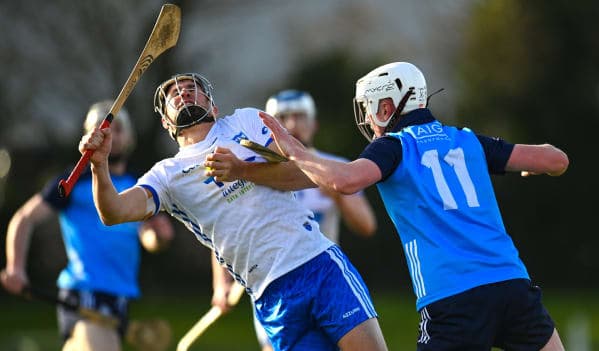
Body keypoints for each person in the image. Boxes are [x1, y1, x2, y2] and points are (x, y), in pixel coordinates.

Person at [254, 62, 569, 351]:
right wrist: (537, 167)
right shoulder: (467, 140)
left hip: (452, 297)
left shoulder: (394, 147)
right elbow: (555, 159)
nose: (366, 118)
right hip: (513, 286)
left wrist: (295, 150)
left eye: (369, 108)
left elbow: (345, 181)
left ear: (387, 106)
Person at [78, 73, 388, 351]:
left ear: (213, 106)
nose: (184, 94)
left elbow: (306, 173)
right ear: (165, 122)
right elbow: (113, 212)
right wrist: (99, 165)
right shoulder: (166, 176)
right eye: (175, 93)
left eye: (192, 88)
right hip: (270, 295)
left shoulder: (248, 122)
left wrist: (242, 170)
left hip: (317, 264)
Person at [1, 101, 174, 351]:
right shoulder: (72, 180)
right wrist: (15, 268)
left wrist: (158, 237)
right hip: (83, 292)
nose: (109, 136)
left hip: (121, 295)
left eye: (117, 129)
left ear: (129, 137)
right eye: (100, 129)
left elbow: (146, 234)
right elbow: (24, 218)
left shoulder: (140, 183)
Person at [245, 90, 377, 351]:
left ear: (314, 123)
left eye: (300, 116)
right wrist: (222, 284)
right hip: (275, 287)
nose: (292, 125)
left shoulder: (333, 167)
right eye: (283, 117)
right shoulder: (252, 171)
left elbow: (366, 225)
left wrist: (337, 194)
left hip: (325, 279)